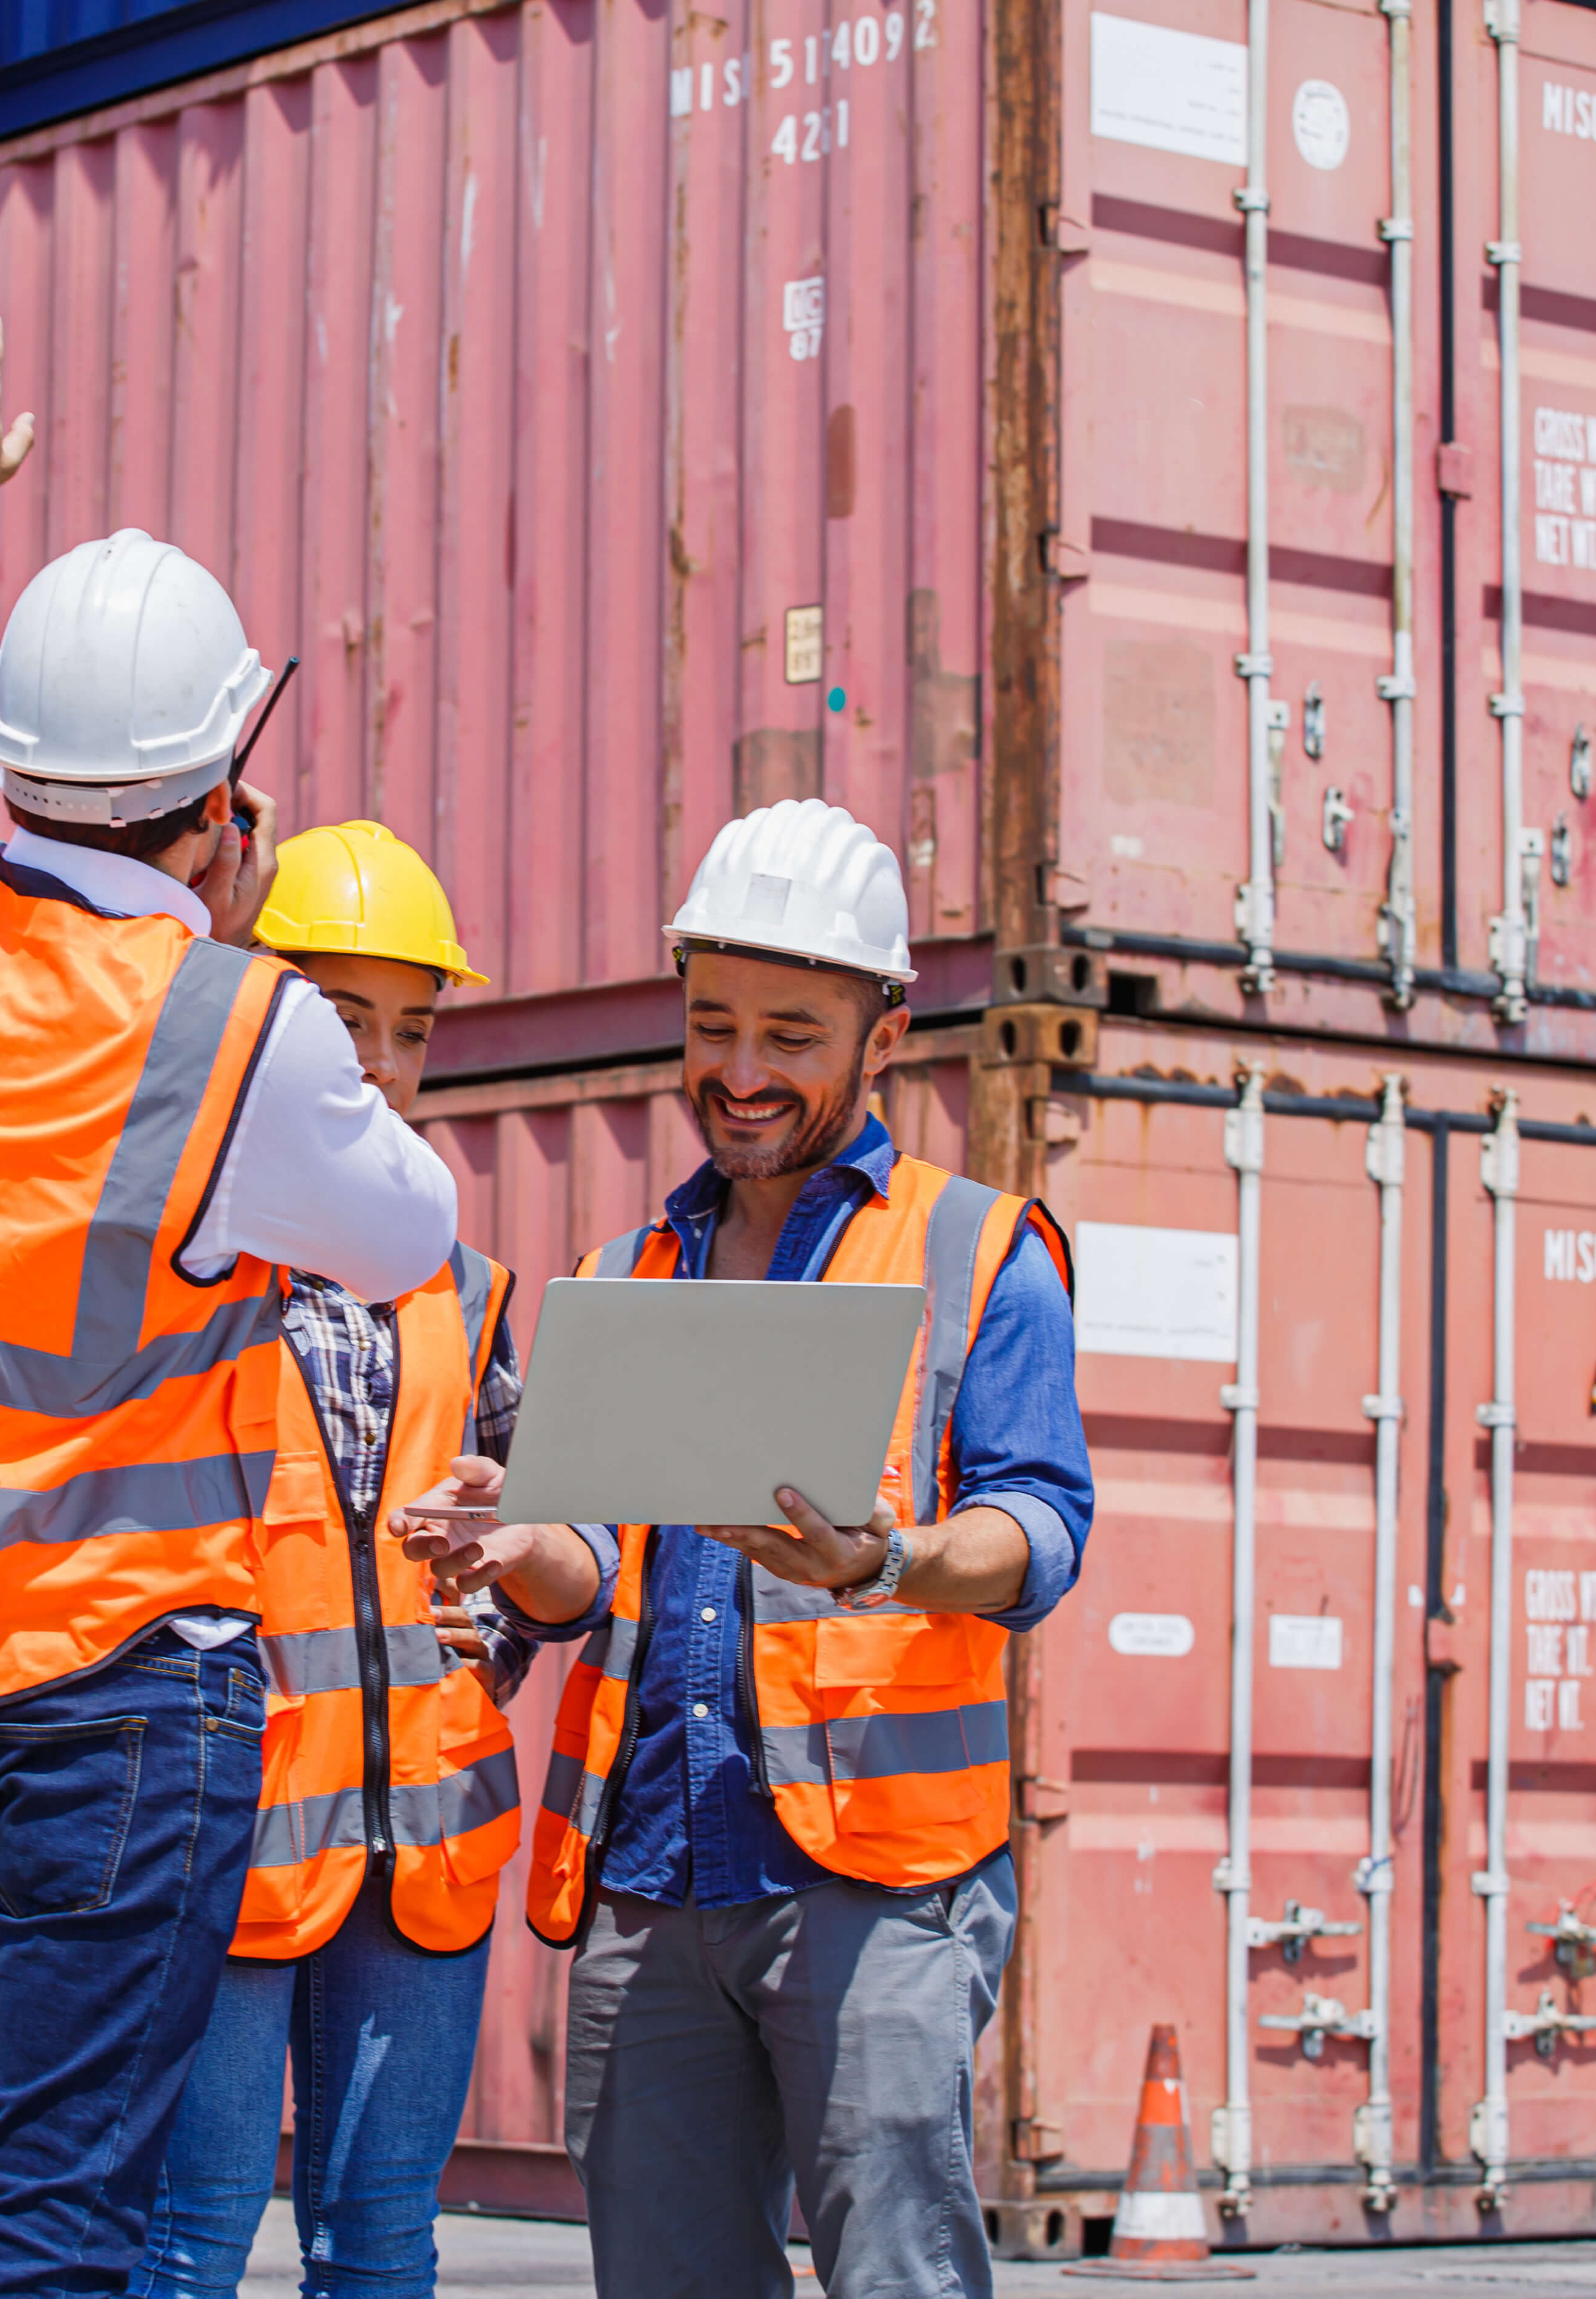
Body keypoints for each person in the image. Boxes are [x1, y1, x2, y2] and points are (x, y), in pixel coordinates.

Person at [0, 313, 460, 2299]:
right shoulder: (224, 1026)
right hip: (119, 1714)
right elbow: (410, 1236)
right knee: (59, 2230)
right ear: (225, 808)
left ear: (8, 770)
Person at [429, 798, 1092, 2299]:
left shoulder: (976, 1250)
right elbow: (591, 1559)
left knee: (896, 2276)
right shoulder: (624, 1272)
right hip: (650, 1870)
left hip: (879, 1883)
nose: (739, 1073)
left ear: (886, 1032)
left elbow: (1042, 1527)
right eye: (713, 1023)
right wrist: (513, 1537)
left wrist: (886, 1562)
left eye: (791, 1033)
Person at [128, 822, 614, 2299]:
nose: (388, 1063)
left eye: (413, 1027)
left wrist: (516, 1575)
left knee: (384, 2252)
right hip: (228, 1844)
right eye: (347, 1022)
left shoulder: (467, 1290)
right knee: (188, 2248)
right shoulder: (185, 1261)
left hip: (430, 1845)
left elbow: (564, 1563)